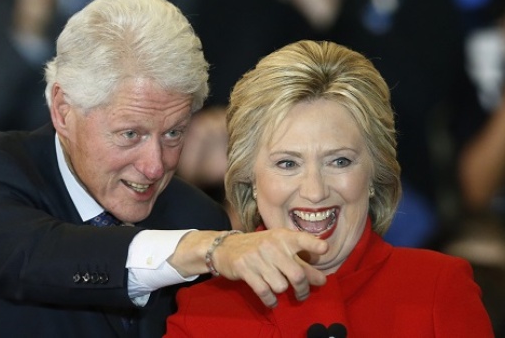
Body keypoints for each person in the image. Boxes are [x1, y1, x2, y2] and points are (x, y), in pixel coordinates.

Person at [0, 0, 331, 337]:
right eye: (130, 134)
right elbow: (45, 257)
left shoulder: (193, 217)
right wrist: (204, 250)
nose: (154, 166)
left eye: (173, 134)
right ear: (62, 110)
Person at [165, 40, 494, 337]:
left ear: (374, 174)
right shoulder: (202, 311)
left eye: (339, 162)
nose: (314, 191)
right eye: (287, 164)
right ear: (249, 179)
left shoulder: (438, 287)